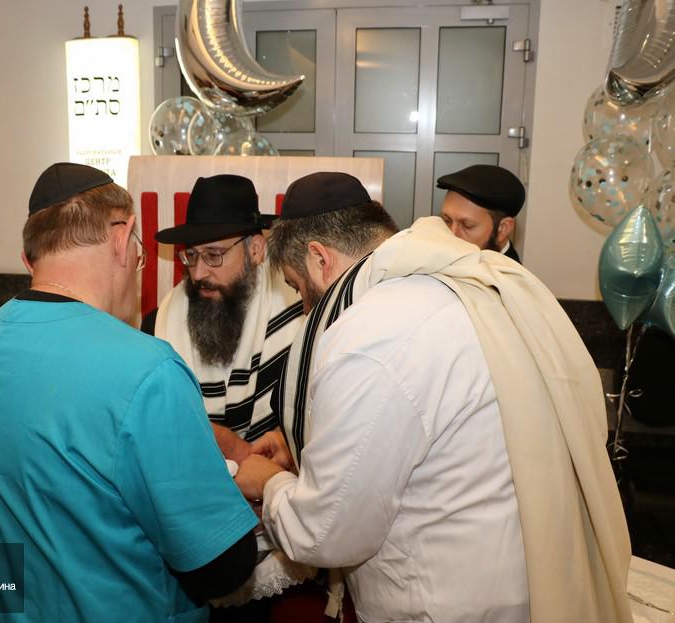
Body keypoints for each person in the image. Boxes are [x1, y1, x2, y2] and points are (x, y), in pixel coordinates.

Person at [237, 171, 633, 623]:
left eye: (297, 288)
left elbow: (325, 532)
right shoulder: (454, 284)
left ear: (319, 259)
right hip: (513, 579)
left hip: (445, 604)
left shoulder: (369, 333)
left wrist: (268, 482)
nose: (308, 309)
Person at [0, 163, 258, 623]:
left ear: (31, 257)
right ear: (122, 237)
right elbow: (221, 567)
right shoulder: (147, 369)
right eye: (140, 253)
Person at [146, 174, 303, 463]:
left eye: (214, 255)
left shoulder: (298, 320)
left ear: (256, 250)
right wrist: (231, 448)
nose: (198, 274)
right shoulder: (160, 324)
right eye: (191, 255)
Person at [437, 163, 525, 262]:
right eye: (447, 220)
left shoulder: (506, 272)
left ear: (503, 229)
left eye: (467, 225)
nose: (452, 234)